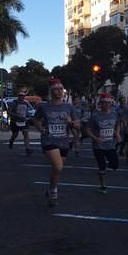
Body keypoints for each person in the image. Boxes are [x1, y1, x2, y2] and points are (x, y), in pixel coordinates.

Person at [33, 78, 77, 207]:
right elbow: (35, 119)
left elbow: (78, 125)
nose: (59, 91)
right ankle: (54, 192)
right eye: (56, 89)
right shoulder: (44, 106)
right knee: (58, 167)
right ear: (51, 91)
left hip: (63, 141)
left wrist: (72, 123)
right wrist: (41, 129)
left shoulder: (69, 107)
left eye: (61, 89)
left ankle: (51, 188)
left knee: (57, 170)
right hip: (49, 140)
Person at [85, 93, 121, 193]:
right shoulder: (95, 116)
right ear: (100, 103)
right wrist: (95, 138)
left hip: (110, 145)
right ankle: (103, 185)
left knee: (115, 165)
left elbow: (118, 123)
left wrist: (117, 133)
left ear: (111, 103)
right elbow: (87, 130)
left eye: (108, 103)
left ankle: (104, 168)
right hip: (98, 146)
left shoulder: (114, 114)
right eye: (104, 103)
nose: (106, 105)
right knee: (102, 167)